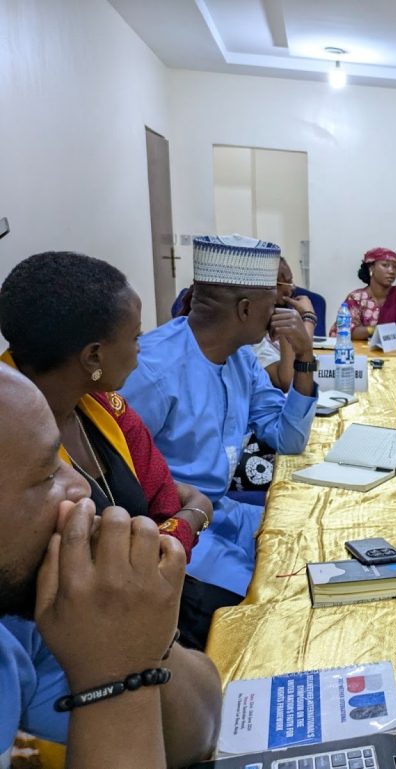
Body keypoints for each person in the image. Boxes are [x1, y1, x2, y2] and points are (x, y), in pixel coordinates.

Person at [0, 366, 221, 769]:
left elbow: (195, 737)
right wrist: (116, 679)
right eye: (48, 474)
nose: (80, 488)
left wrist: (139, 641)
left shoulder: (21, 620)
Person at [120, 235, 318, 620]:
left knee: (312, 543)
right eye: (272, 304)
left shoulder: (240, 359)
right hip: (176, 527)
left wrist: (305, 355)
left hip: (223, 510)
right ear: (245, 309)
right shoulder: (153, 371)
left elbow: (288, 439)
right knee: (269, 606)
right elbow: (120, 484)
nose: (278, 311)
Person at [0, 252, 213, 563]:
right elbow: (99, 563)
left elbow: (163, 497)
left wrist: (179, 523)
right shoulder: (11, 441)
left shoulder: (105, 406)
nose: (140, 347)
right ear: (93, 357)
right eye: (135, 336)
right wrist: (195, 514)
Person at [254, 257, 318, 392]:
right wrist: (309, 319)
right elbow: (290, 382)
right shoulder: (251, 336)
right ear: (270, 286)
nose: (293, 287)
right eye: (288, 282)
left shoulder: (271, 321)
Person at [332, 247, 396, 340]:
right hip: (359, 349)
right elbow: (344, 331)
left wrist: (365, 331)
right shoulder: (356, 298)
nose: (391, 271)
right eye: (385, 265)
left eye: (395, 267)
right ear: (371, 268)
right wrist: (375, 330)